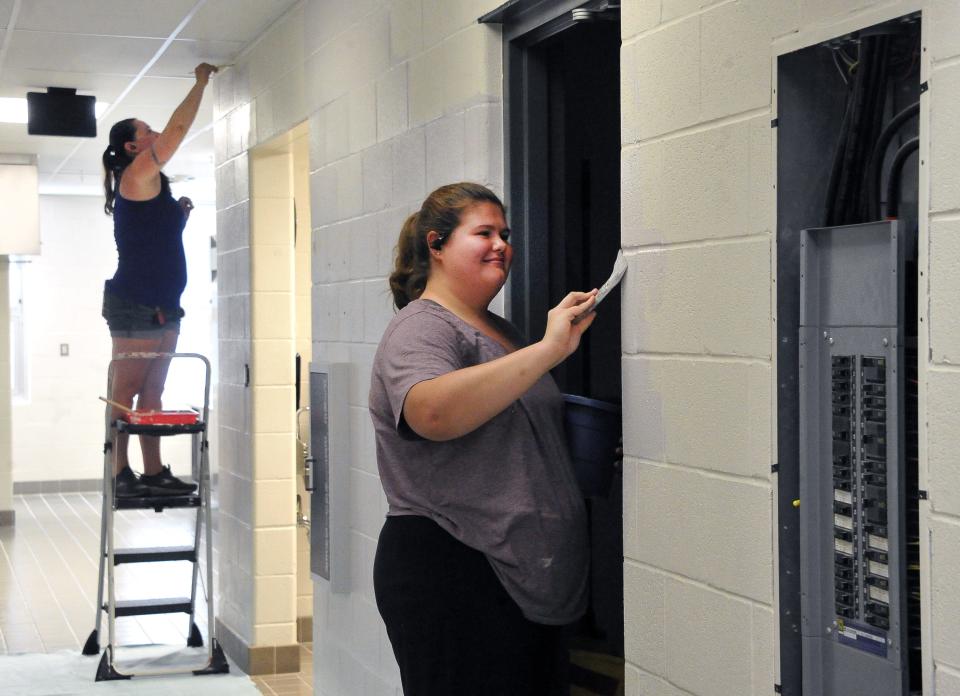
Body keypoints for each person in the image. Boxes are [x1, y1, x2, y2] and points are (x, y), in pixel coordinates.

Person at [368, 182, 599, 695]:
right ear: (436, 245)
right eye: (484, 232)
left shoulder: (500, 331)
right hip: (454, 568)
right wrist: (548, 350)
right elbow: (431, 411)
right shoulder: (422, 328)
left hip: (515, 576)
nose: (501, 244)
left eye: (505, 233)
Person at [100, 62, 217, 497]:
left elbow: (154, 242)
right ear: (133, 146)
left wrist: (179, 215)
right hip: (136, 302)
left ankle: (152, 473)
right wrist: (200, 83)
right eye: (146, 132)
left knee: (154, 390)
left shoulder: (155, 189)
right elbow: (177, 131)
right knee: (126, 391)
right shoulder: (135, 175)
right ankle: (118, 475)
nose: (154, 137)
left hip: (166, 303)